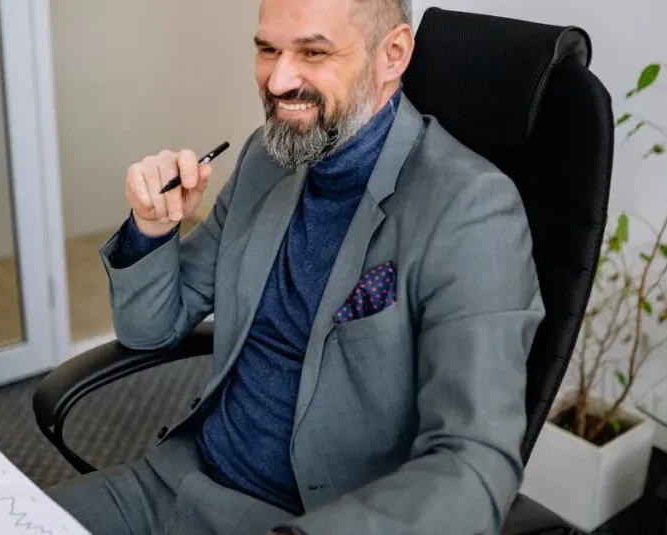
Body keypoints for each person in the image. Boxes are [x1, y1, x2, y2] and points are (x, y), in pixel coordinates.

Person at [46, 0, 544, 533]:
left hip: (308, 520)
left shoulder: (469, 207)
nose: (279, 80)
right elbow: (150, 328)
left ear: (392, 54)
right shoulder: (268, 156)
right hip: (172, 481)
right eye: (267, 50)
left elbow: (472, 466)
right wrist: (152, 226)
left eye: (313, 52)